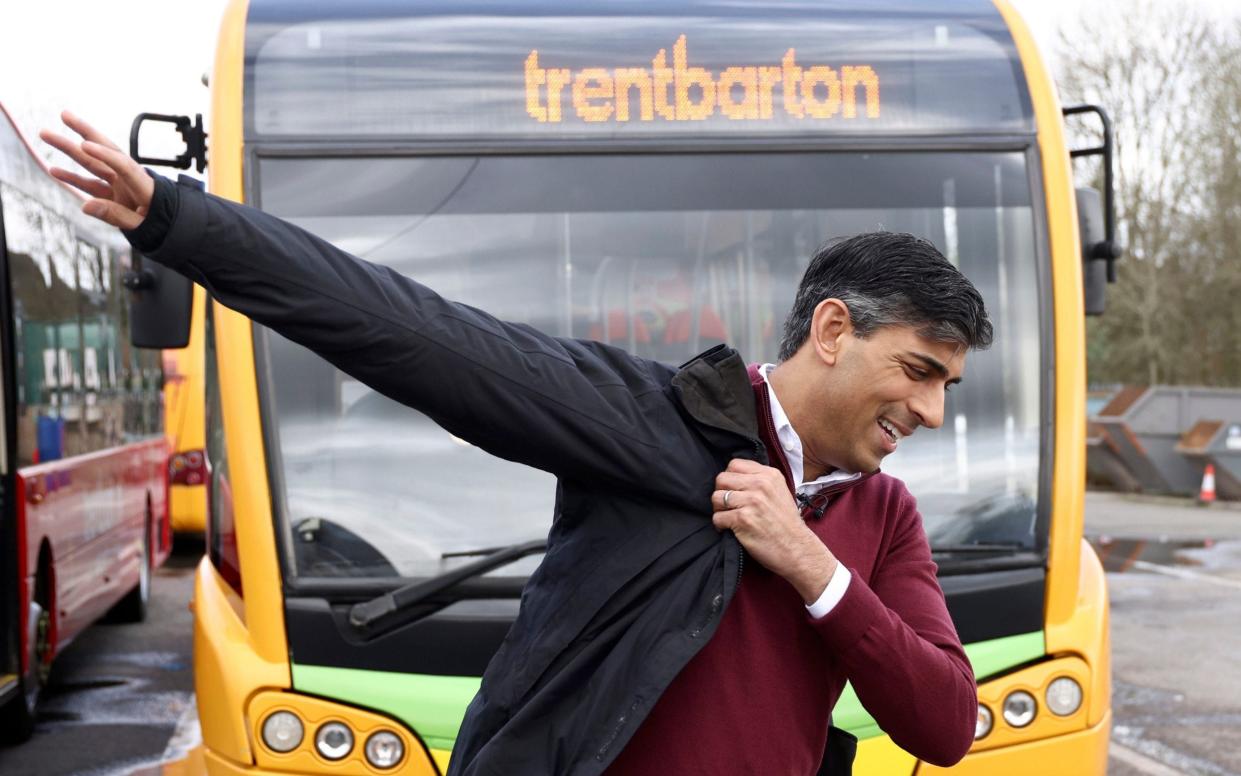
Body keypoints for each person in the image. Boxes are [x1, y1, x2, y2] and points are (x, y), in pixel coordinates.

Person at [43, 111, 989, 776]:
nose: (933, 414)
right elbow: (423, 338)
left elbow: (945, 724)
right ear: (832, 332)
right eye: (916, 372)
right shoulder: (649, 422)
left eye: (946, 387)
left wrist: (810, 568)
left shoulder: (882, 517)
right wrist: (178, 222)